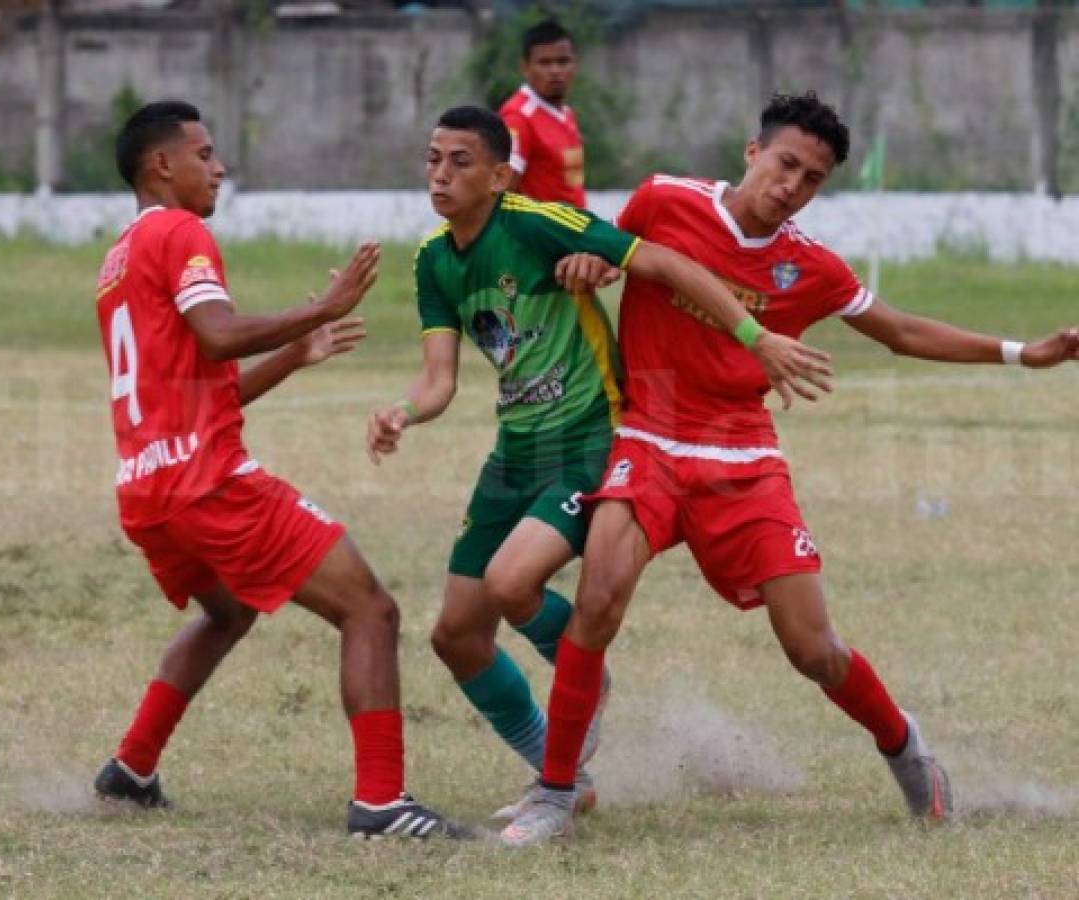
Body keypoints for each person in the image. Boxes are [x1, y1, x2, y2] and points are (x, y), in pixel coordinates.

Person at [498, 91, 1079, 845]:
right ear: (751, 152)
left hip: (743, 456)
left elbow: (898, 330)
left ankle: (905, 747)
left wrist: (1019, 352)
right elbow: (608, 250)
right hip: (650, 435)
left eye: (810, 178)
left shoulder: (805, 265)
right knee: (599, 596)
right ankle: (555, 789)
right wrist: (590, 262)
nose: (791, 186)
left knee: (812, 648)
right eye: (784, 164)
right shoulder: (662, 200)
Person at [365, 105, 832, 821]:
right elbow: (439, 379)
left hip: (589, 438)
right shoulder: (433, 258)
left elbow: (665, 261)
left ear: (497, 176)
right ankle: (561, 769)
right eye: (432, 158)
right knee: (454, 634)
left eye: (460, 161)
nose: (440, 174)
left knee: (511, 583)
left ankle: (585, 676)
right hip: (514, 449)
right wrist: (403, 412)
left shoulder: (532, 220)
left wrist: (751, 333)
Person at [91, 100, 465, 839]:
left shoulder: (117, 260)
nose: (218, 165)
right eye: (203, 153)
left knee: (226, 612)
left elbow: (203, 385)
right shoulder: (180, 230)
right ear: (161, 165)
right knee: (371, 610)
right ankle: (382, 803)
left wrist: (294, 353)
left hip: (147, 489)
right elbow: (219, 333)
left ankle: (129, 770)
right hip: (207, 484)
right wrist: (318, 308)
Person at [499, 18, 585, 206]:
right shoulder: (518, 117)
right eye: (544, 63)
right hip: (542, 233)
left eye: (563, 62)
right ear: (525, 68)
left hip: (573, 231)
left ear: (574, 65)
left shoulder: (567, 114)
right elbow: (503, 191)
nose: (555, 71)